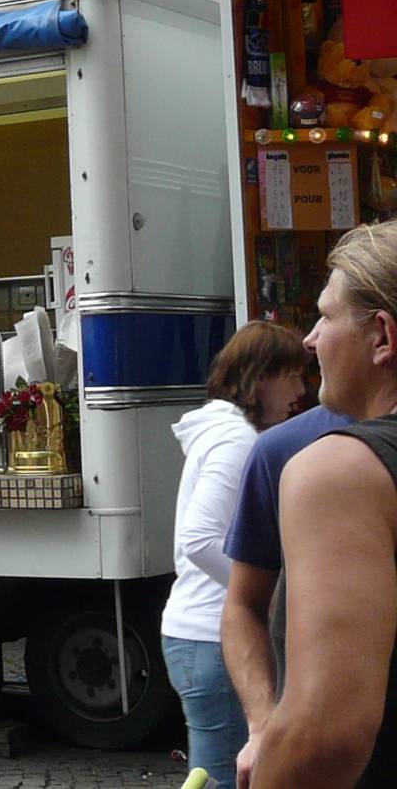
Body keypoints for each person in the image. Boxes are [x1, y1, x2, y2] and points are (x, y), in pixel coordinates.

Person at [245, 222, 397, 788]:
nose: (309, 340)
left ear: (382, 336)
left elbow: (327, 733)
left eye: (326, 316)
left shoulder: (340, 471)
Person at [159, 322, 308, 789]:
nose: (301, 391)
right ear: (260, 377)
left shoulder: (229, 434)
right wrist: (269, 592)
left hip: (200, 633)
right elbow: (199, 538)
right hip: (213, 636)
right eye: (293, 376)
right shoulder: (236, 440)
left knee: (217, 774)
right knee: (222, 779)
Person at [220, 400, 352, 757]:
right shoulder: (281, 448)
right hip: (322, 748)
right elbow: (243, 604)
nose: (311, 341)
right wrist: (263, 725)